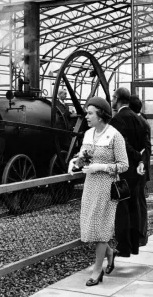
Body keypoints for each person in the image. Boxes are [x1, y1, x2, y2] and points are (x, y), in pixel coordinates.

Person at [68, 97, 128, 286]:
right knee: (91, 226)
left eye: (90, 113)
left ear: (101, 116)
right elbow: (84, 156)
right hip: (90, 186)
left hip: (107, 187)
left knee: (101, 228)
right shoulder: (88, 134)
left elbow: (124, 165)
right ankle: (110, 252)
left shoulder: (115, 136)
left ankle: (97, 270)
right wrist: (75, 161)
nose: (86, 116)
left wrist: (100, 167)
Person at [109, 87, 146, 257]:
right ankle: (134, 246)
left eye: (112, 97)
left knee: (121, 208)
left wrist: (135, 155)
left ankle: (123, 246)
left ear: (117, 98)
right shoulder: (138, 119)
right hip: (137, 171)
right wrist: (140, 159)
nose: (111, 100)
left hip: (123, 170)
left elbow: (121, 144)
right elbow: (142, 144)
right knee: (133, 207)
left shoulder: (117, 119)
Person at [129, 95, 151, 246]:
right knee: (139, 201)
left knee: (137, 202)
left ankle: (139, 236)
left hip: (136, 169)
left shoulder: (137, 123)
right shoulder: (142, 121)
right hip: (140, 168)